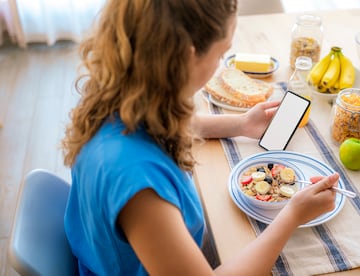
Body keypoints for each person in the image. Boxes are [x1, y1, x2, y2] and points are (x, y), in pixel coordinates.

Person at [61, 0, 339, 275]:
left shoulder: (118, 95)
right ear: (187, 57)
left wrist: (240, 123)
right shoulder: (140, 187)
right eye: (221, 55)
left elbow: (165, 123)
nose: (219, 67)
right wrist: (292, 215)